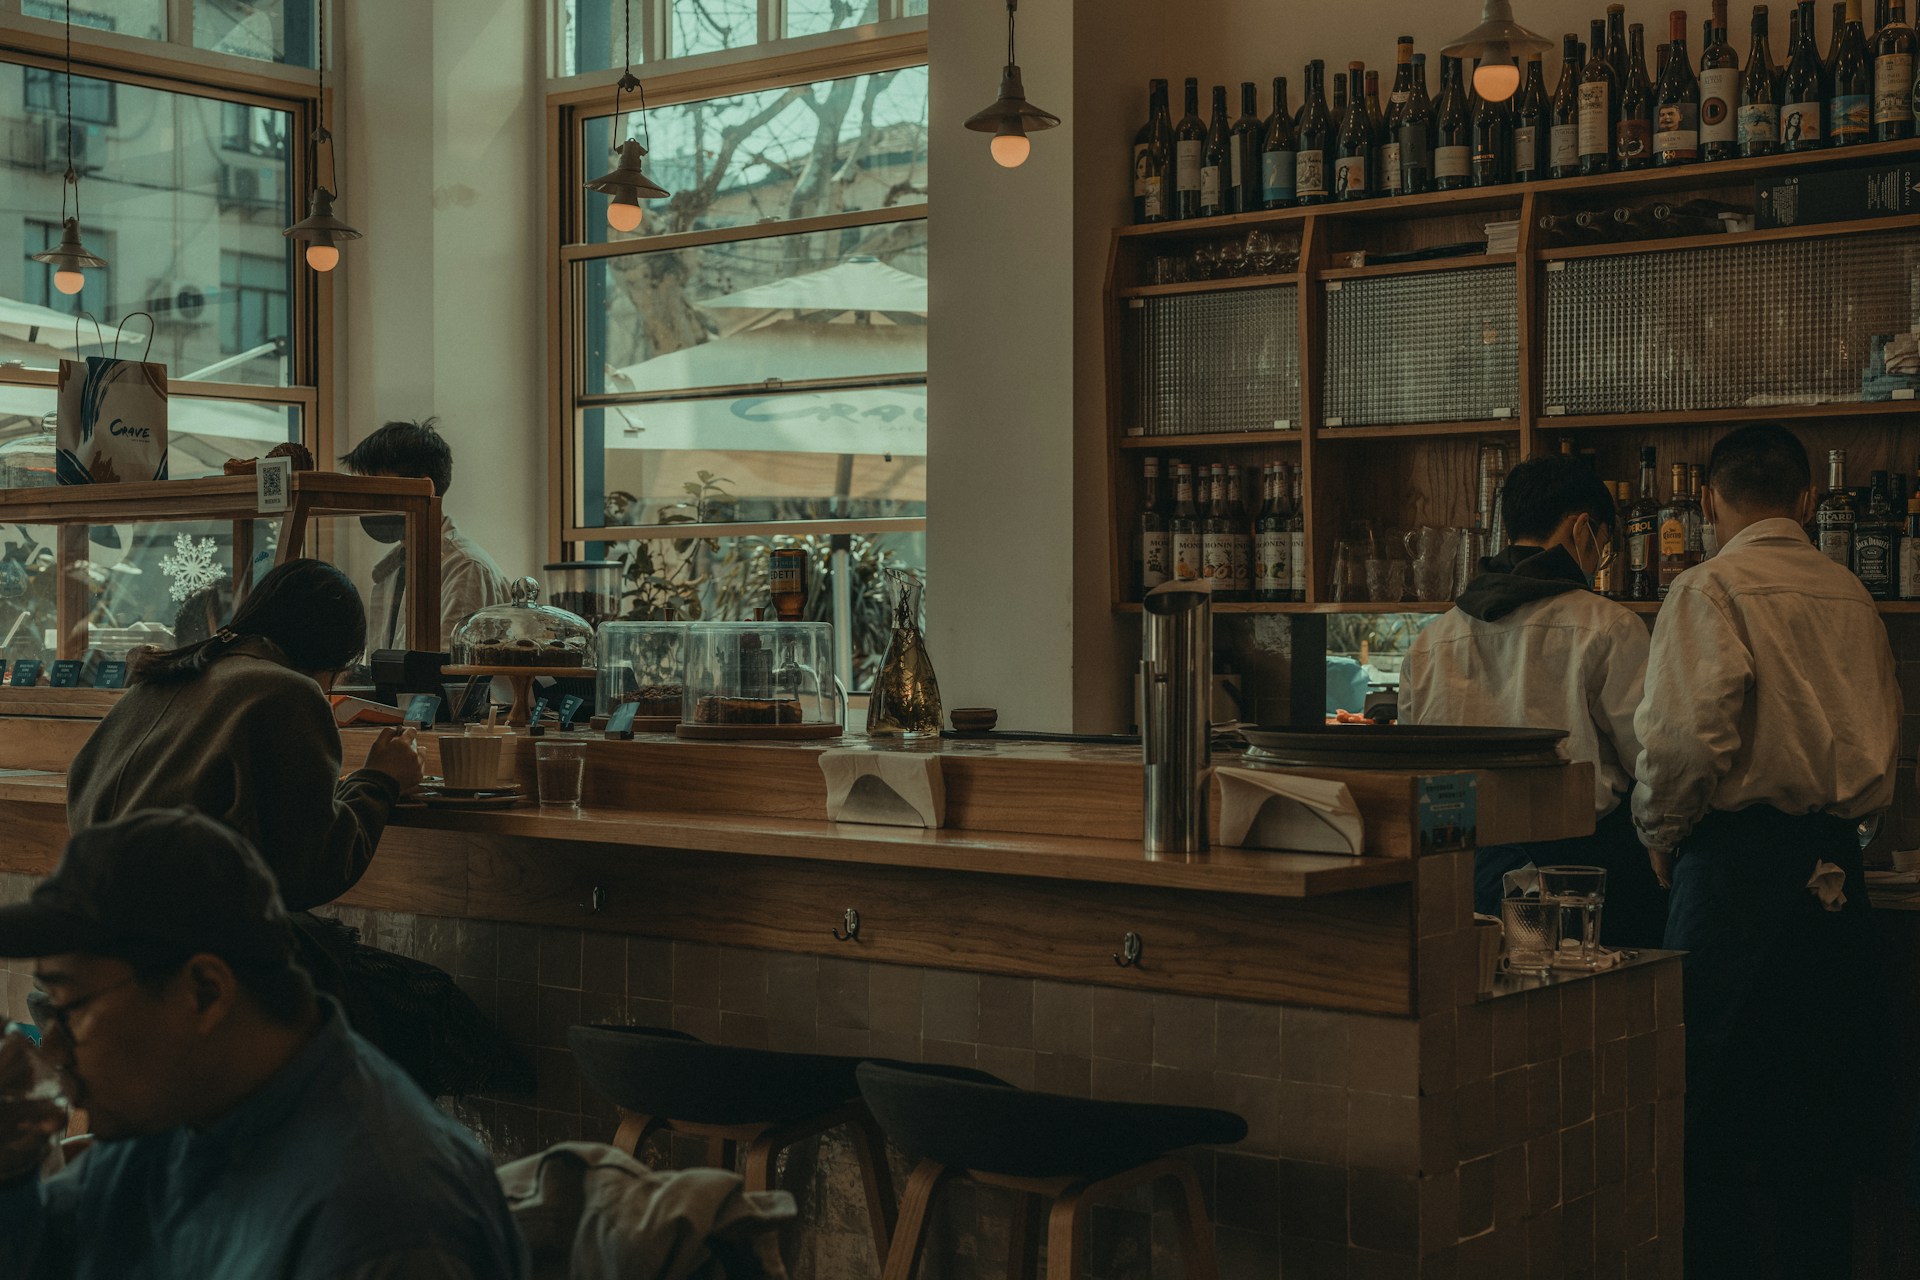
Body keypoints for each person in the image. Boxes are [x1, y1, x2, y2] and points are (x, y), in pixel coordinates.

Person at [0, 809, 529, 1280]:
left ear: (204, 993)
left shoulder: (382, 1225)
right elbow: (45, 1252)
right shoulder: (180, 1117)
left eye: (69, 1007)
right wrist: (11, 1168)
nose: (52, 1050)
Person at [65, 559, 520, 1098]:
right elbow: (314, 871)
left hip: (99, 965)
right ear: (332, 656)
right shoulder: (285, 691)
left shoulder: (156, 683)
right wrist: (381, 780)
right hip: (207, 976)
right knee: (438, 1016)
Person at [1632, 424, 1898, 1280]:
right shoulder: (1851, 592)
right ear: (1808, 500)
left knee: (1707, 1109)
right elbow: (1882, 739)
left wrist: (1661, 834)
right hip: (1835, 869)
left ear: (1709, 500)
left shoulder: (1709, 587)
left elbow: (1684, 740)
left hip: (1736, 869)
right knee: (1819, 1115)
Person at [1400, 454, 1665, 947]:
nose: (1598, 560)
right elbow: (1652, 759)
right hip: (1582, 871)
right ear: (1583, 528)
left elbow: (1412, 766)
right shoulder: (1607, 626)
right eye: (1603, 545)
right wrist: (1663, 844)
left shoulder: (1432, 641)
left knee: (1483, 988)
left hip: (1466, 866)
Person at [340, 418, 512, 652]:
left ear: (425, 488)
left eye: (378, 488)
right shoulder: (394, 568)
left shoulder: (465, 568)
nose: (368, 503)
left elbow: (449, 669)